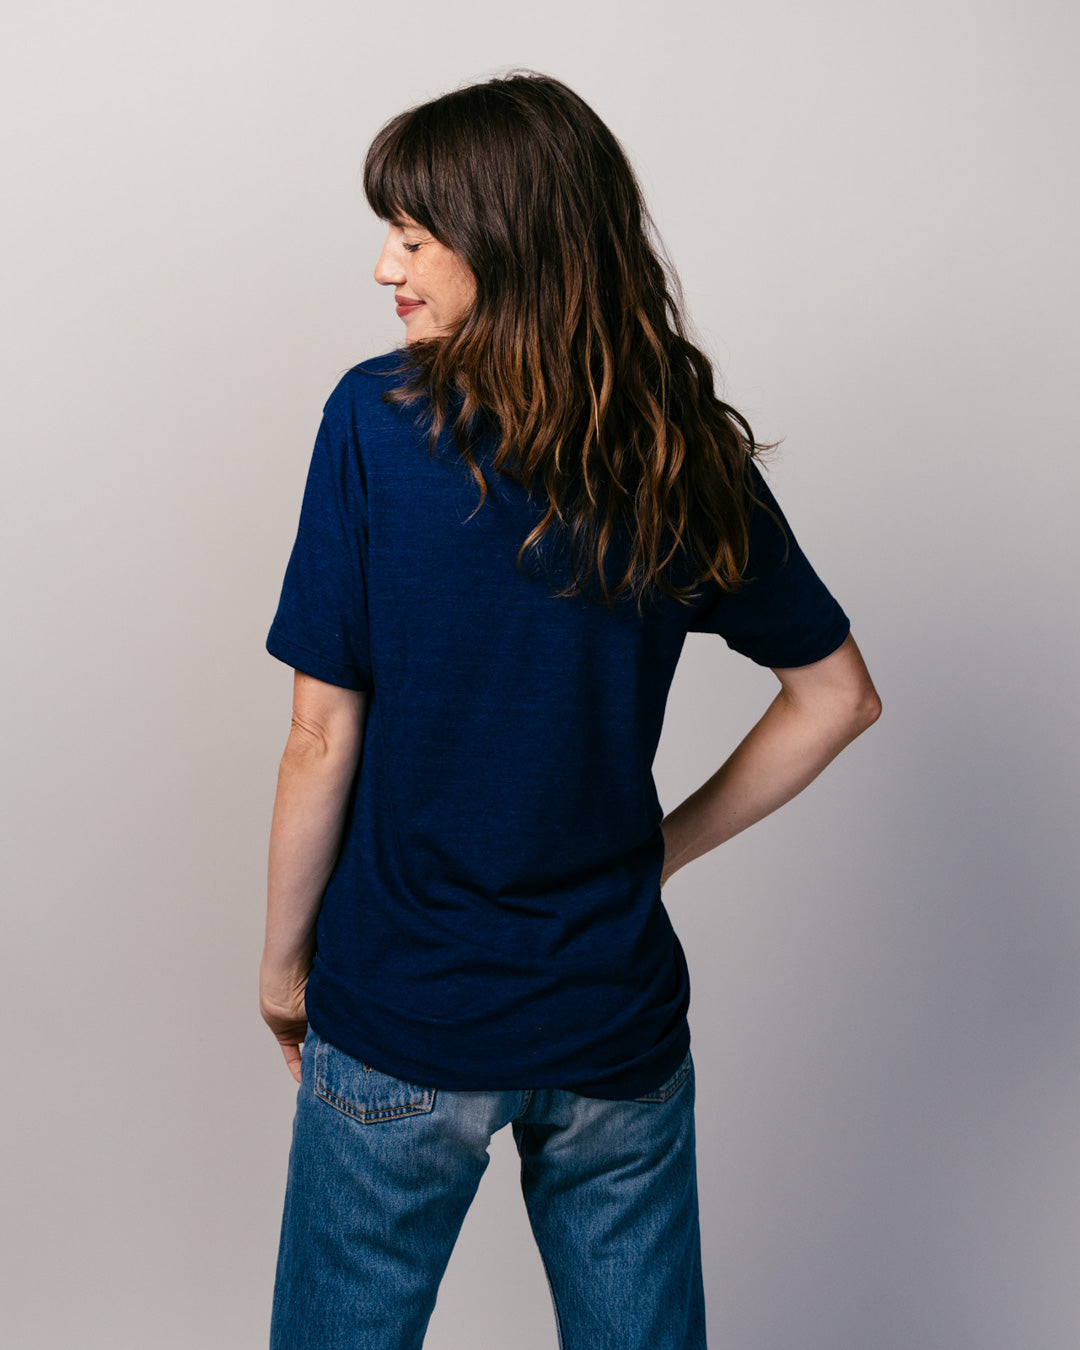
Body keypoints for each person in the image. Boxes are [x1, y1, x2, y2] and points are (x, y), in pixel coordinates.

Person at [260, 71, 881, 1350]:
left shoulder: (376, 421)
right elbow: (837, 697)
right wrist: (654, 855)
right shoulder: (675, 446)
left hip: (403, 1007)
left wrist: (280, 973)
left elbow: (320, 736)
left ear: (506, 239)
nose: (386, 266)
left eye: (415, 237)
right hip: (613, 1014)